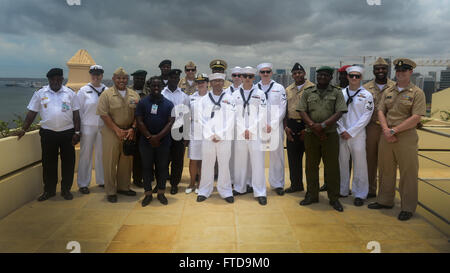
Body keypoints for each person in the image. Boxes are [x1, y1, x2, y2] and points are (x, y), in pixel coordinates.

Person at [368, 58, 426, 221]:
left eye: (404, 70)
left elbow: (416, 117)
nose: (400, 73)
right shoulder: (389, 91)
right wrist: (386, 130)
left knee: (408, 173)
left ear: (410, 72)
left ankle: (407, 207)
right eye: (398, 70)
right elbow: (380, 111)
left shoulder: (417, 93)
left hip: (405, 136)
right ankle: (385, 200)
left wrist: (394, 130)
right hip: (386, 135)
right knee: (386, 170)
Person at [16, 68, 80, 201]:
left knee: (68, 163)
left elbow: (76, 114)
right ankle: (49, 190)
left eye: (58, 79)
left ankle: (66, 190)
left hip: (67, 133)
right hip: (48, 134)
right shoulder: (40, 93)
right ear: (49, 80)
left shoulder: (70, 93)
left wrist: (77, 132)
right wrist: (24, 129)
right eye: (53, 79)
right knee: (48, 163)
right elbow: (31, 113)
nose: (56, 81)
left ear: (62, 79)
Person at [297, 66, 348, 212]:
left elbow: (340, 112)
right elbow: (302, 110)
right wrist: (314, 126)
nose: (322, 77)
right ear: (316, 77)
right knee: (311, 166)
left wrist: (324, 125)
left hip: (330, 134)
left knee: (332, 168)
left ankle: (334, 198)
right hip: (311, 134)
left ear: (331, 78)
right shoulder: (308, 92)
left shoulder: (337, 92)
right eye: (320, 75)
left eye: (326, 75)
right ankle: (312, 195)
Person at [96, 67, 140, 203]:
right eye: (119, 78)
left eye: (124, 78)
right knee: (110, 162)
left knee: (126, 161)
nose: (122, 80)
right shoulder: (106, 94)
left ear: (127, 80)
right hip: (111, 132)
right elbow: (104, 114)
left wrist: (132, 129)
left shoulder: (134, 95)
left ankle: (123, 187)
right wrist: (116, 130)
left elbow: (139, 114)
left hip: (129, 132)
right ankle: (110, 190)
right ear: (114, 79)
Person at [336, 66, 373, 206]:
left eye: (357, 76)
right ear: (347, 77)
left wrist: (351, 132)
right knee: (342, 163)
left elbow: (366, 116)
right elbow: (336, 113)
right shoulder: (341, 93)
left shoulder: (367, 95)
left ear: (361, 78)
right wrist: (342, 130)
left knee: (360, 165)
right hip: (342, 133)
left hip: (357, 135)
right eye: (351, 76)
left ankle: (360, 193)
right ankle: (342, 190)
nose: (354, 78)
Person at [196, 73, 235, 203]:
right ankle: (204, 191)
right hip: (208, 138)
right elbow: (200, 119)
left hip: (224, 138)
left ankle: (225, 191)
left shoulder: (230, 98)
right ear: (210, 83)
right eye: (215, 81)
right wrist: (210, 134)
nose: (218, 83)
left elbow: (231, 119)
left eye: (220, 81)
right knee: (207, 165)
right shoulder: (203, 100)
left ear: (224, 82)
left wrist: (221, 134)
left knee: (224, 165)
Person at [232, 66, 268, 206]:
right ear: (241, 77)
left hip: (255, 133)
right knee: (239, 162)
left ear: (254, 78)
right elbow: (232, 113)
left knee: (258, 163)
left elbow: (262, 113)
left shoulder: (260, 93)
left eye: (250, 76)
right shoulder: (234, 94)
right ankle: (240, 188)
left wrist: (251, 129)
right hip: (240, 133)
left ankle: (260, 192)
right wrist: (243, 129)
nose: (247, 79)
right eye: (245, 76)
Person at [136, 76, 175, 206]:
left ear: (162, 87)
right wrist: (149, 137)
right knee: (146, 168)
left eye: (158, 86)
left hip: (163, 142)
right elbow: (139, 121)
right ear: (150, 87)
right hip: (145, 142)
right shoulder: (143, 102)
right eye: (154, 86)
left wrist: (157, 137)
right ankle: (147, 194)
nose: (156, 88)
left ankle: (161, 193)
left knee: (162, 168)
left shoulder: (169, 104)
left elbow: (171, 122)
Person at [362, 57, 396, 198]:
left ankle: (385, 194)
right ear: (374, 71)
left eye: (383, 68)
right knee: (370, 160)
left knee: (386, 163)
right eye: (377, 69)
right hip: (371, 128)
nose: (380, 71)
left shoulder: (395, 87)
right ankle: (370, 190)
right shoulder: (365, 88)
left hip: (389, 129)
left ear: (387, 70)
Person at [284, 62, 315, 193]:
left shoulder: (313, 88)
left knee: (310, 161)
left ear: (304, 73)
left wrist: (307, 129)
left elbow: (315, 110)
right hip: (291, 126)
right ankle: (296, 185)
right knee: (293, 159)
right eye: (295, 73)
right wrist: (286, 127)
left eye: (300, 73)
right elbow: (284, 110)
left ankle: (312, 188)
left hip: (307, 126)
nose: (297, 75)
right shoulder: (288, 89)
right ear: (292, 75)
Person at [320, 64, 351, 193]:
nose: (343, 77)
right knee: (330, 159)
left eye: (345, 75)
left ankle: (344, 186)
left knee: (346, 161)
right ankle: (328, 182)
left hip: (349, 131)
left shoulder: (356, 91)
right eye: (341, 75)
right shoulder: (334, 90)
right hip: (333, 128)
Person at [257, 62, 287, 196]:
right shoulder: (254, 88)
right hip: (259, 128)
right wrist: (262, 124)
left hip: (275, 127)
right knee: (258, 157)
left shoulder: (279, 88)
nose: (265, 74)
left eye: (267, 72)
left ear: (271, 73)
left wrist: (273, 124)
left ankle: (277, 184)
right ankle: (257, 184)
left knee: (277, 157)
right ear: (259, 74)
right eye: (262, 72)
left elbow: (282, 108)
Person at [76, 65, 107, 194]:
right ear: (90, 75)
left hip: (103, 126)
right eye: (93, 74)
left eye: (98, 74)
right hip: (87, 126)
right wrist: (78, 129)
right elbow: (78, 110)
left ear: (102, 75)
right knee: (85, 155)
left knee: (101, 155)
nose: (96, 76)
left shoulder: (107, 90)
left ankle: (103, 180)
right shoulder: (83, 90)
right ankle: (83, 183)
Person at [161, 69, 190, 195]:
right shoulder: (161, 94)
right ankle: (161, 183)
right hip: (164, 130)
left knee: (178, 160)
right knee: (163, 159)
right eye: (172, 77)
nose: (174, 80)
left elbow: (187, 117)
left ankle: (174, 184)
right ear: (168, 79)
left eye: (177, 78)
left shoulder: (184, 96)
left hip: (179, 130)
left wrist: (186, 135)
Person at [186, 73, 209, 194]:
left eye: (203, 82)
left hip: (207, 133)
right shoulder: (191, 97)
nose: (200, 84)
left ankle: (201, 183)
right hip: (194, 132)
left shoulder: (211, 97)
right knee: (193, 159)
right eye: (198, 82)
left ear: (207, 83)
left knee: (204, 160)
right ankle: (191, 183)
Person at [130, 70, 147, 188]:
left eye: (142, 79)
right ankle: (127, 179)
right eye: (137, 78)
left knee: (142, 155)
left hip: (144, 128)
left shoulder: (148, 92)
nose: (140, 81)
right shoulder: (127, 92)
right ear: (133, 79)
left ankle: (139, 178)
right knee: (129, 154)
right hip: (130, 128)